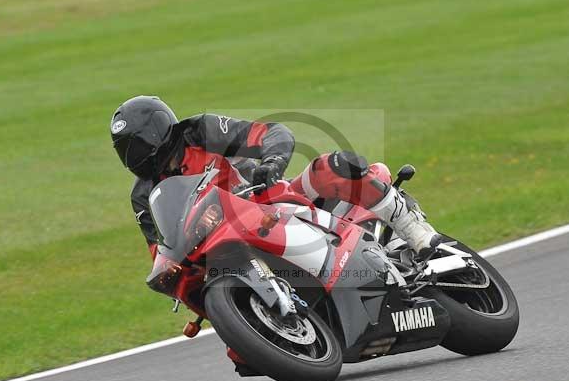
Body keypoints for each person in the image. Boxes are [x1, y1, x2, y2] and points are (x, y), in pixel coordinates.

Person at [110, 95, 441, 263]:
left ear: (158, 129)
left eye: (138, 143)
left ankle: (412, 229)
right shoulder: (143, 195)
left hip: (271, 202)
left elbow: (270, 133)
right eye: (125, 150)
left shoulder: (199, 132)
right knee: (241, 358)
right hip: (226, 249)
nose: (134, 155)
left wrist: (272, 161)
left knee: (333, 167)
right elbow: (160, 249)